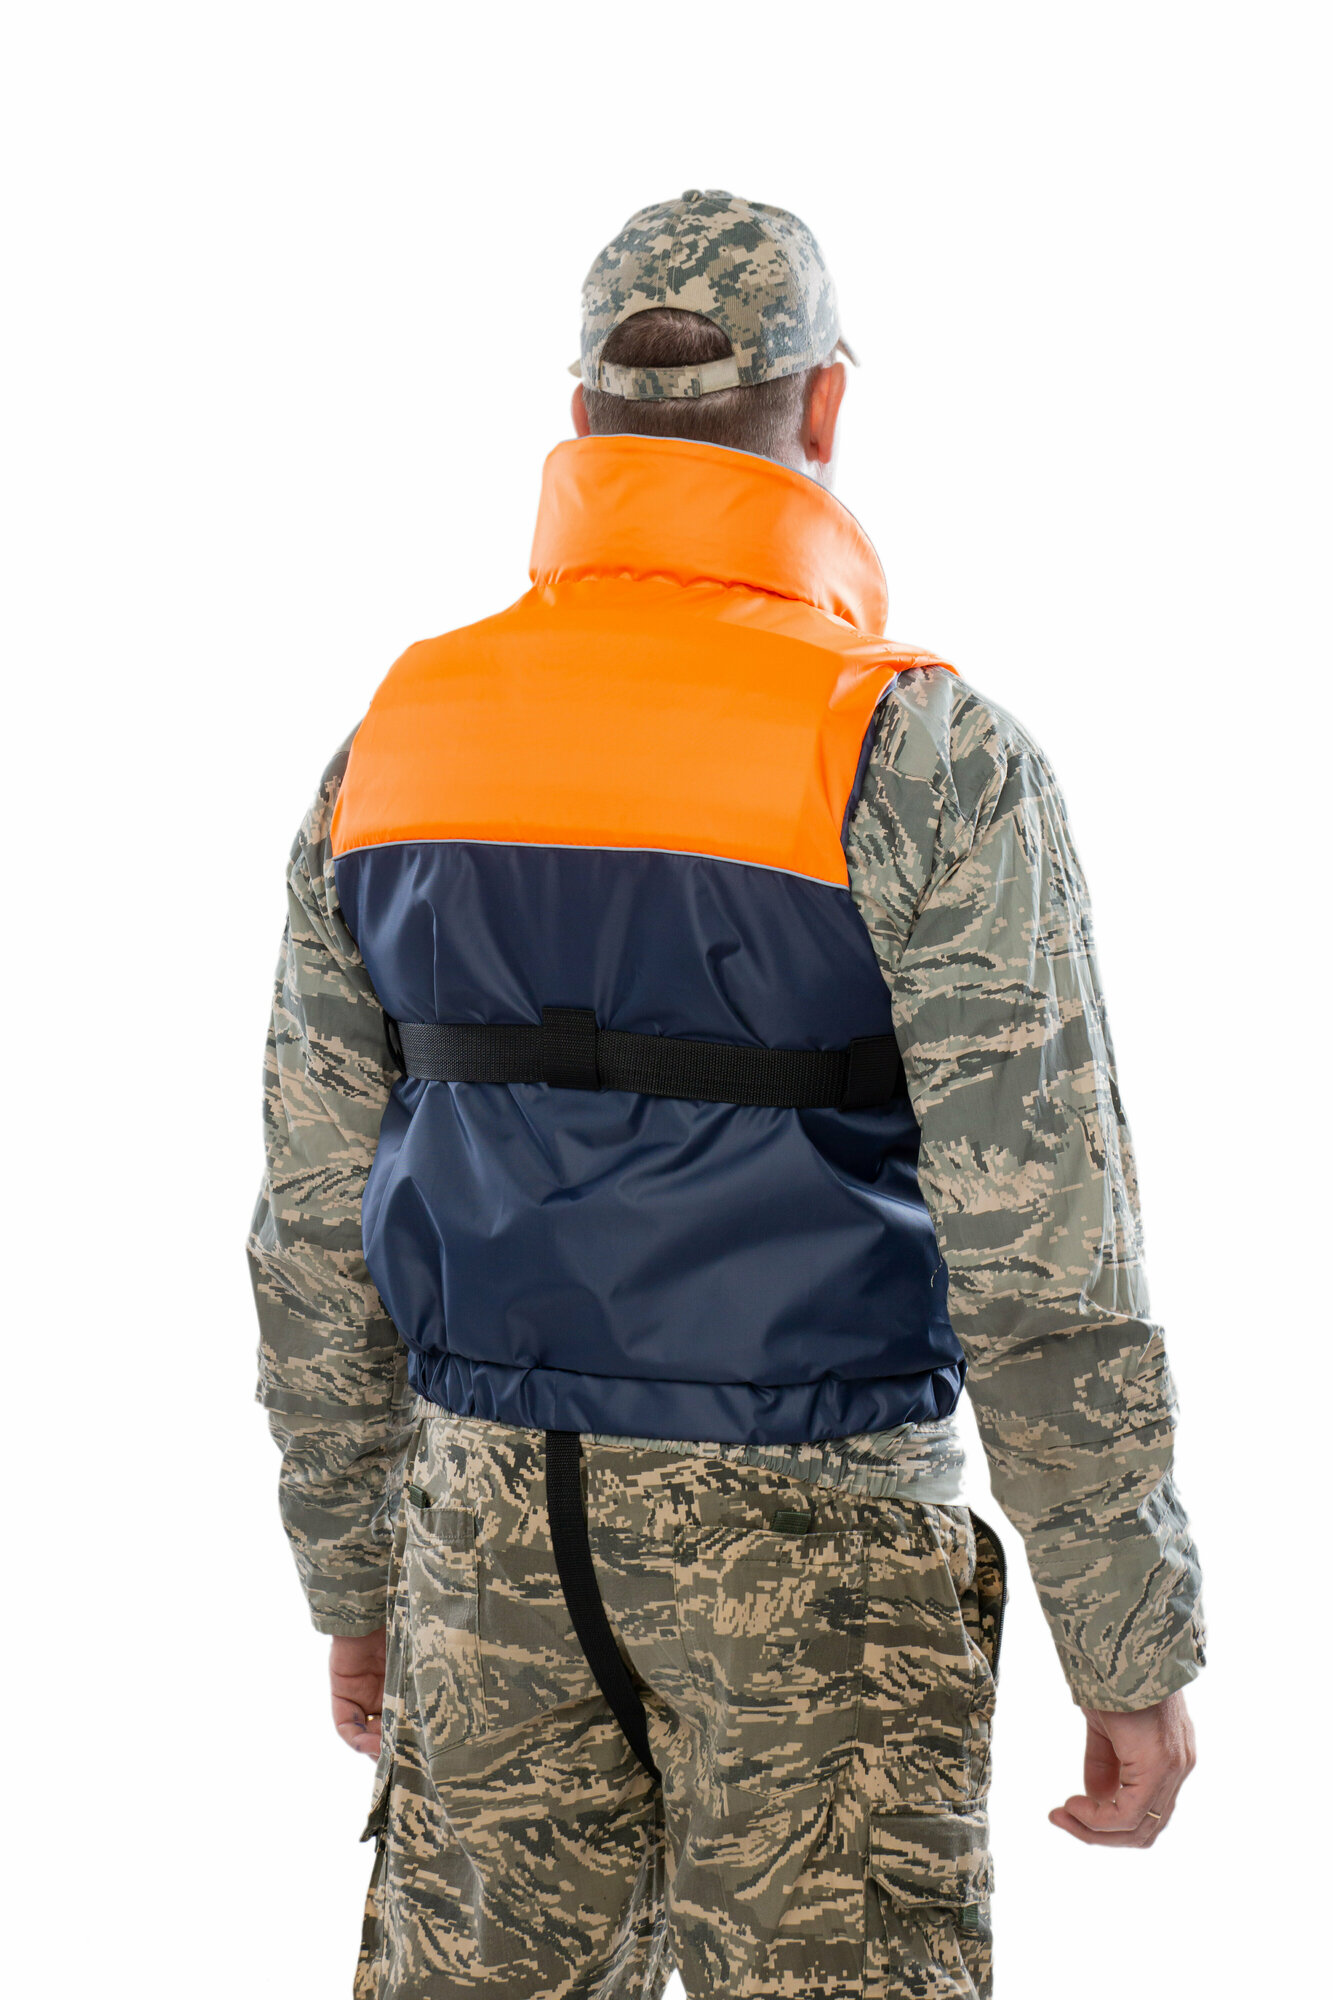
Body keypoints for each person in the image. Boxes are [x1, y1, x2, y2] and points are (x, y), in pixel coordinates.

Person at [248, 189, 1204, 2000]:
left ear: (582, 414)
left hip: (481, 1540)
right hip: (816, 1549)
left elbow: (311, 1221)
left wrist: (353, 1576)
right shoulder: (921, 752)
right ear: (823, 404)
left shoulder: (400, 741)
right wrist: (1125, 1635)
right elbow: (1043, 1248)